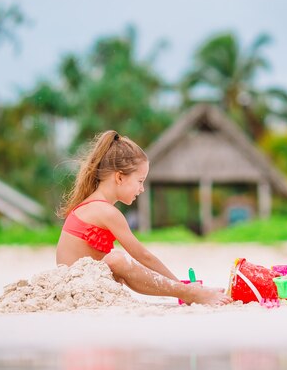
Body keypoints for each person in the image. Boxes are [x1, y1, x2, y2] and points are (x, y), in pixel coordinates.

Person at [56, 130, 230, 306]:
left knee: (114, 260)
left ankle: (187, 291)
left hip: (82, 286)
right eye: (140, 181)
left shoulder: (93, 205)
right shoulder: (107, 212)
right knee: (117, 259)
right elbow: (143, 256)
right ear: (119, 177)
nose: (142, 189)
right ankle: (189, 293)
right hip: (76, 289)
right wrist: (183, 288)